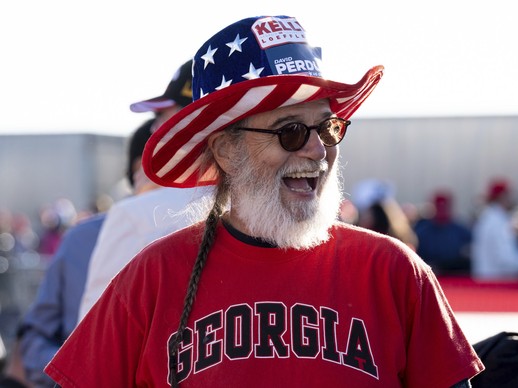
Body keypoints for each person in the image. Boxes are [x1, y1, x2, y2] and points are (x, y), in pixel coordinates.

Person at [46, 15, 484, 387]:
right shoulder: (152, 278)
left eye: (327, 129)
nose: (316, 151)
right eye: (289, 131)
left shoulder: (394, 272)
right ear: (225, 152)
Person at [17, 118, 157, 387]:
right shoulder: (82, 239)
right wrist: (78, 370)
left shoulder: (208, 235)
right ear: (142, 169)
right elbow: (35, 335)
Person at [77, 60, 213, 322]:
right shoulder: (261, 207)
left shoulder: (135, 213)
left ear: (188, 122)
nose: (153, 129)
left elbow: (95, 326)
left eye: (161, 117)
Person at [471, 178, 518, 280]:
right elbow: (507, 261)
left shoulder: (488, 218)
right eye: (510, 195)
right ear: (503, 196)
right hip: (497, 284)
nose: (513, 198)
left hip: (488, 282)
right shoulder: (498, 223)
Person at [414, 190, 472, 276]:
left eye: (444, 207)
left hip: (456, 277)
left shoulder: (461, 230)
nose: (442, 210)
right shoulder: (423, 232)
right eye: (439, 207)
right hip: (431, 276)